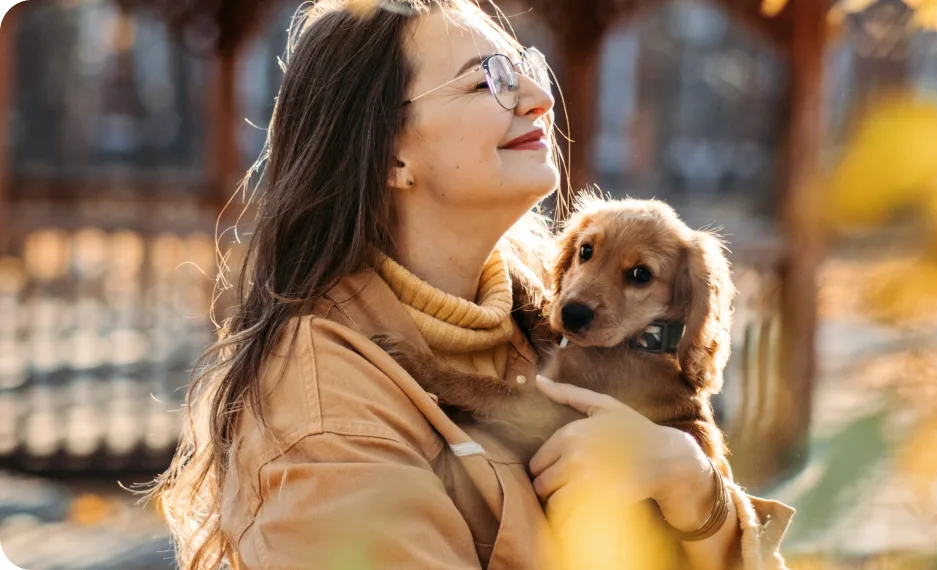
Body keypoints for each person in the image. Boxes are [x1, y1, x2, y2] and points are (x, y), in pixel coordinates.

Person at [149, 1, 794, 569]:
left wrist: (690, 486)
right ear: (391, 154)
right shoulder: (325, 414)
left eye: (528, 67)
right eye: (489, 80)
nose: (540, 99)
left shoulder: (543, 320)